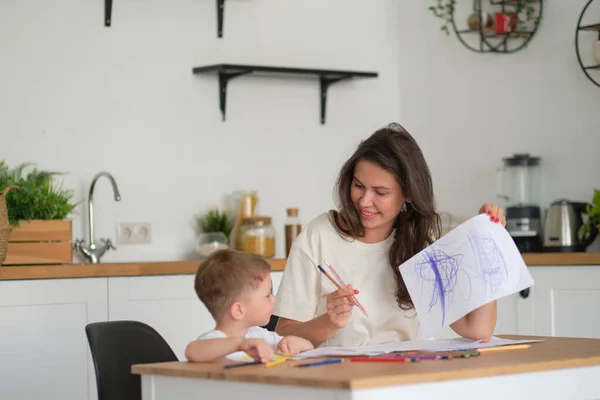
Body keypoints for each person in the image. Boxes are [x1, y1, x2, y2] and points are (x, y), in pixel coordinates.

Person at [274, 122, 506, 348]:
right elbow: (284, 333)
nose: (364, 201)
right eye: (358, 185)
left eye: (381, 192)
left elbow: (477, 330)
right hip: (339, 375)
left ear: (408, 194)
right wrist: (329, 322)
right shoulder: (320, 236)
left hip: (401, 375)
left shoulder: (419, 240)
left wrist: (485, 241)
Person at [185, 249, 314, 363]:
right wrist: (240, 344)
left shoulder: (261, 336)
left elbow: (309, 348)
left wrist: (295, 343)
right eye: (267, 295)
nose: (274, 299)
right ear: (239, 310)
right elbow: (192, 351)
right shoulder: (213, 340)